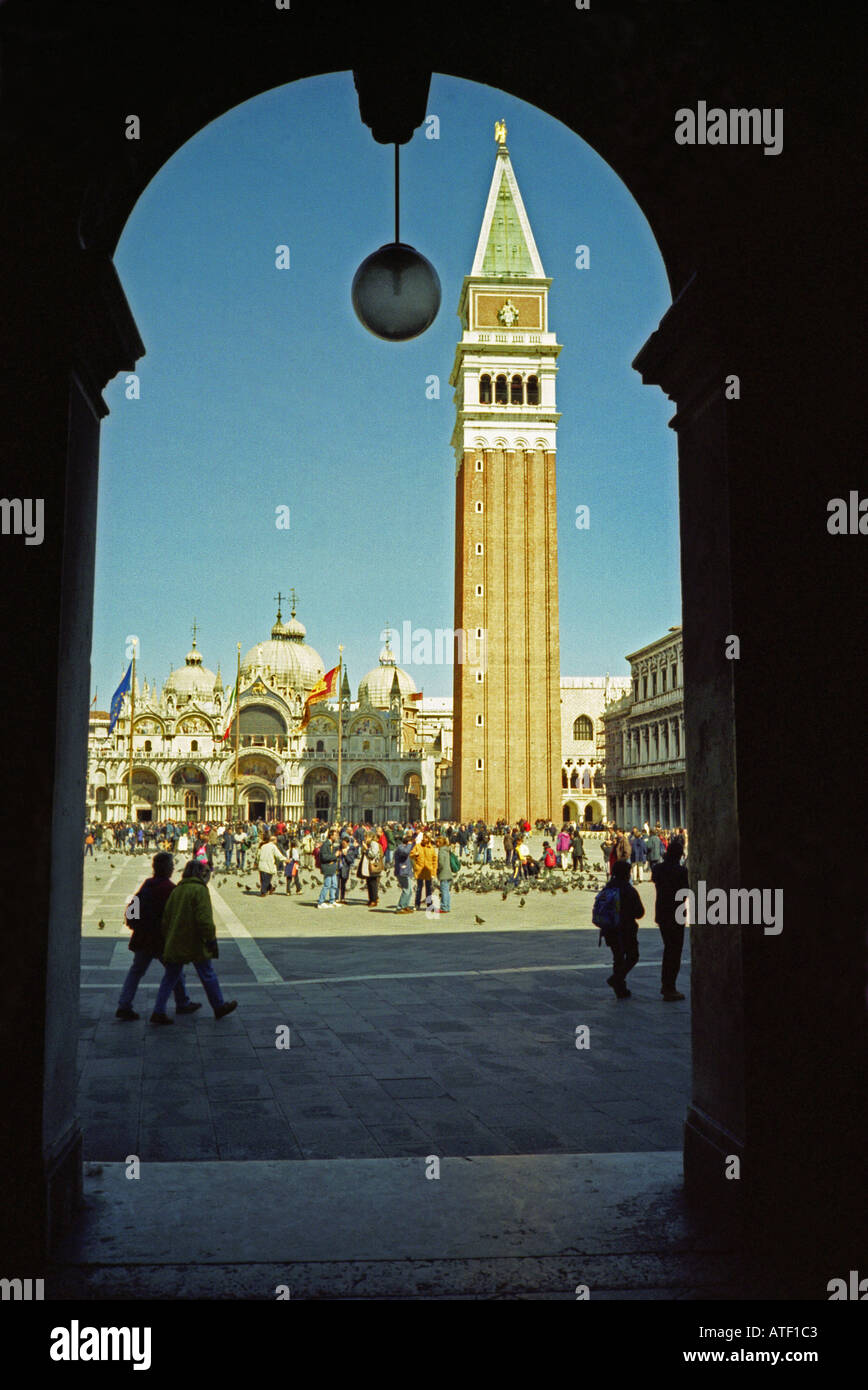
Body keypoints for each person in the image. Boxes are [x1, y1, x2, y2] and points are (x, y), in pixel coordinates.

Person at [150, 860, 237, 1023]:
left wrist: (168, 936)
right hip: (195, 941)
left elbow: (166, 917)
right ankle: (218, 1006)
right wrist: (210, 939)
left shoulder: (178, 889)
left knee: (170, 976)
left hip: (176, 940)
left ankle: (158, 1010)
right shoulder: (199, 890)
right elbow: (204, 919)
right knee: (207, 973)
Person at [115, 852, 200, 1020]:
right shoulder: (169, 888)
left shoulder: (148, 884)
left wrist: (135, 925)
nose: (173, 868)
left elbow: (133, 906)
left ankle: (124, 1004)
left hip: (143, 937)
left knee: (137, 971)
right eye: (171, 865)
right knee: (174, 970)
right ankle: (174, 1005)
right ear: (165, 868)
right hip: (160, 939)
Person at [651, 836, 689, 1000]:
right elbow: (687, 891)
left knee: (668, 949)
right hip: (676, 914)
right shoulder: (681, 871)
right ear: (680, 855)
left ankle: (666, 985)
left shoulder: (658, 868)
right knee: (674, 952)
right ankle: (669, 987)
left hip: (661, 912)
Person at [603, 860, 645, 998]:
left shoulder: (608, 888)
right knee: (633, 956)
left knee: (618, 958)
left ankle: (620, 989)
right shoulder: (629, 890)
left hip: (609, 929)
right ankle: (617, 979)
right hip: (626, 929)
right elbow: (639, 912)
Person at [410, 832, 438, 911]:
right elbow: (411, 855)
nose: (424, 839)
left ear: (429, 839)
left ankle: (429, 905)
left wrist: (434, 871)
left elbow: (434, 860)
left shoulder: (431, 848)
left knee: (428, 888)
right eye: (424, 837)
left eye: (426, 838)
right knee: (419, 888)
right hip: (419, 870)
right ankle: (417, 904)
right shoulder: (418, 846)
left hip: (428, 870)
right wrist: (415, 854)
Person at [357, 833, 383, 909]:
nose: (365, 838)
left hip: (373, 865)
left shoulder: (374, 843)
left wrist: (366, 849)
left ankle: (374, 899)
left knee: (373, 883)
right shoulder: (369, 843)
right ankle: (371, 898)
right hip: (368, 866)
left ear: (370, 837)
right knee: (369, 882)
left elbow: (373, 854)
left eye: (366, 837)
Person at [394, 831, 415, 913]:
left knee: (409, 890)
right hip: (402, 872)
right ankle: (400, 907)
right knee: (406, 889)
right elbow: (405, 853)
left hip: (407, 871)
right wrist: (410, 844)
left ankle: (405, 905)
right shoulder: (401, 847)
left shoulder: (405, 847)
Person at [316, 829, 338, 908]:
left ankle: (332, 901)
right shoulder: (325, 845)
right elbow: (324, 857)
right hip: (327, 867)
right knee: (327, 885)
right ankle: (320, 902)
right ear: (331, 835)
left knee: (334, 884)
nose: (337, 837)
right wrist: (335, 856)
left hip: (332, 867)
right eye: (335, 835)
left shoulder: (331, 844)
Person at [435, 835, 454, 913]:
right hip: (448, 873)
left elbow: (441, 863)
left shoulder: (442, 850)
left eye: (437, 842)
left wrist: (438, 869)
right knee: (446, 891)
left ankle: (444, 907)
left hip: (444, 873)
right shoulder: (447, 850)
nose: (436, 844)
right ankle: (447, 906)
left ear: (440, 843)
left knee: (444, 891)